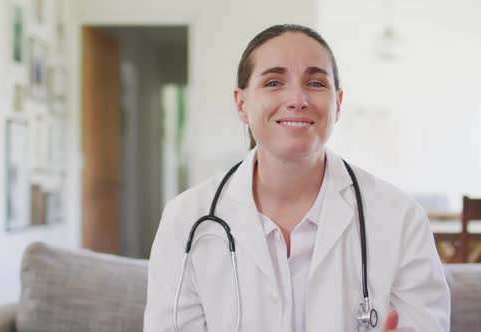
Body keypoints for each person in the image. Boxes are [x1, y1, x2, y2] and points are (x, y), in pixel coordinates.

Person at [144, 24, 450, 332]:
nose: (297, 98)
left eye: (316, 83)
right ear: (241, 104)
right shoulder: (185, 219)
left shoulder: (401, 218)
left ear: (338, 103)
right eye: (274, 82)